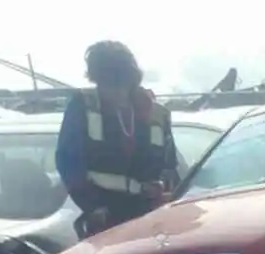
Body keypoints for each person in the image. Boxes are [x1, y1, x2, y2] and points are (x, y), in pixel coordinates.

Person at [56, 41, 180, 237]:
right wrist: (92, 206)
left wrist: (164, 192)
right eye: (105, 82)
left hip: (151, 217)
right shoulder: (83, 106)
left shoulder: (157, 113)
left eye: (119, 82)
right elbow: (68, 161)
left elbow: (170, 166)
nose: (114, 90)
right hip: (105, 217)